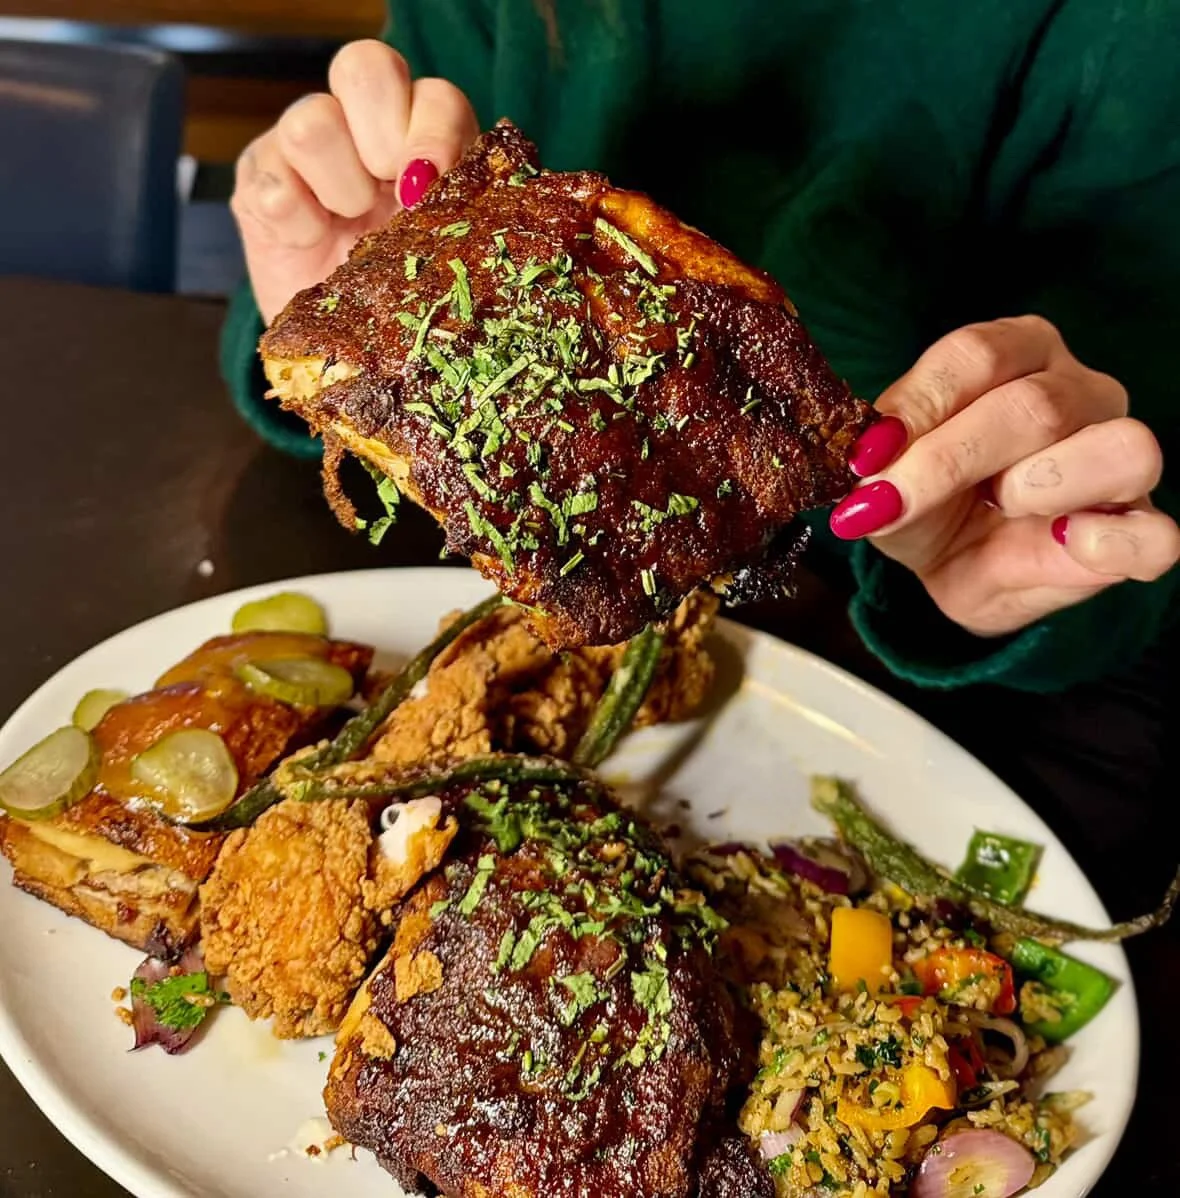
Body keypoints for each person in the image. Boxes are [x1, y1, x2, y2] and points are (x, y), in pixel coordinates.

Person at [221, 0, 1180, 694]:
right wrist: (346, 274)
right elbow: (334, 234)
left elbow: (1140, 480)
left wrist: (1039, 533)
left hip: (923, 688)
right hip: (505, 590)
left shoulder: (1114, 33)